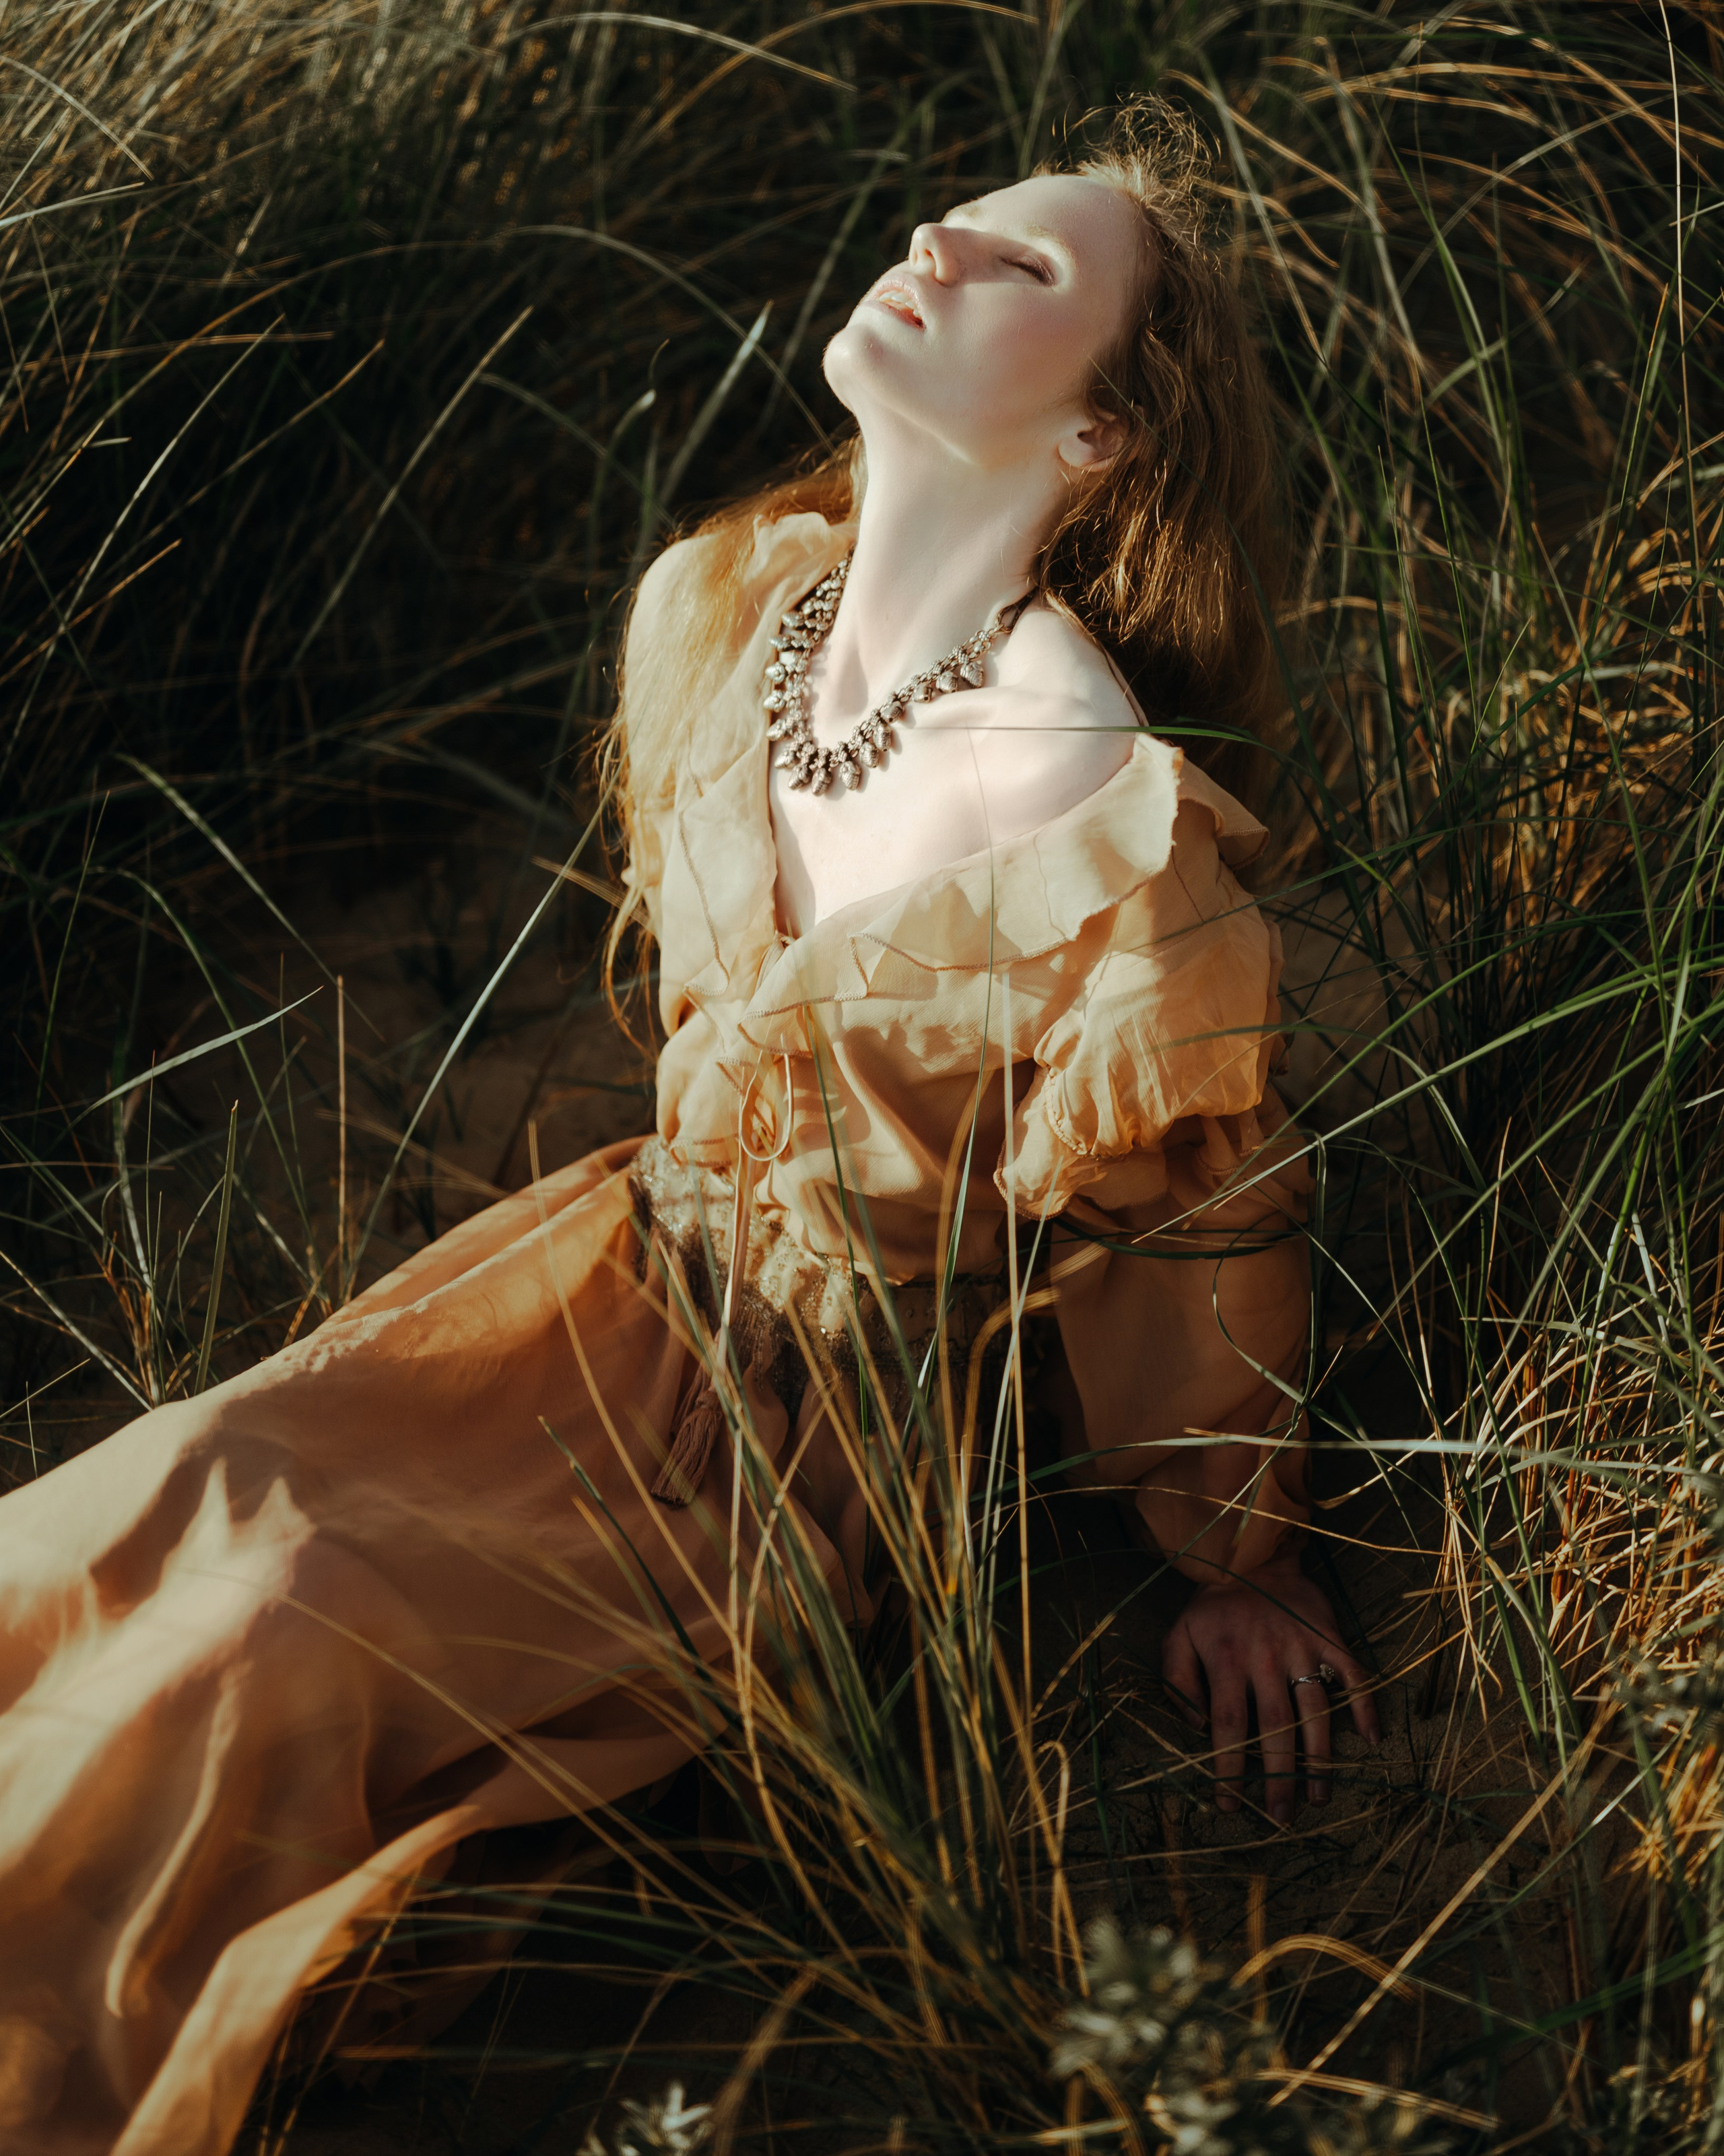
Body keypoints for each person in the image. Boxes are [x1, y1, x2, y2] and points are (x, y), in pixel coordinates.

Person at [0, 104, 1378, 2156]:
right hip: (582, 1267)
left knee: (283, 1634)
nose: (942, 235)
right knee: (159, 1496)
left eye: (1027, 268)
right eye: (961, 218)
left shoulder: (1083, 786)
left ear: (1097, 441)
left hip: (778, 1435)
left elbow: (1181, 1198)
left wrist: (1231, 1552)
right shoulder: (732, 605)